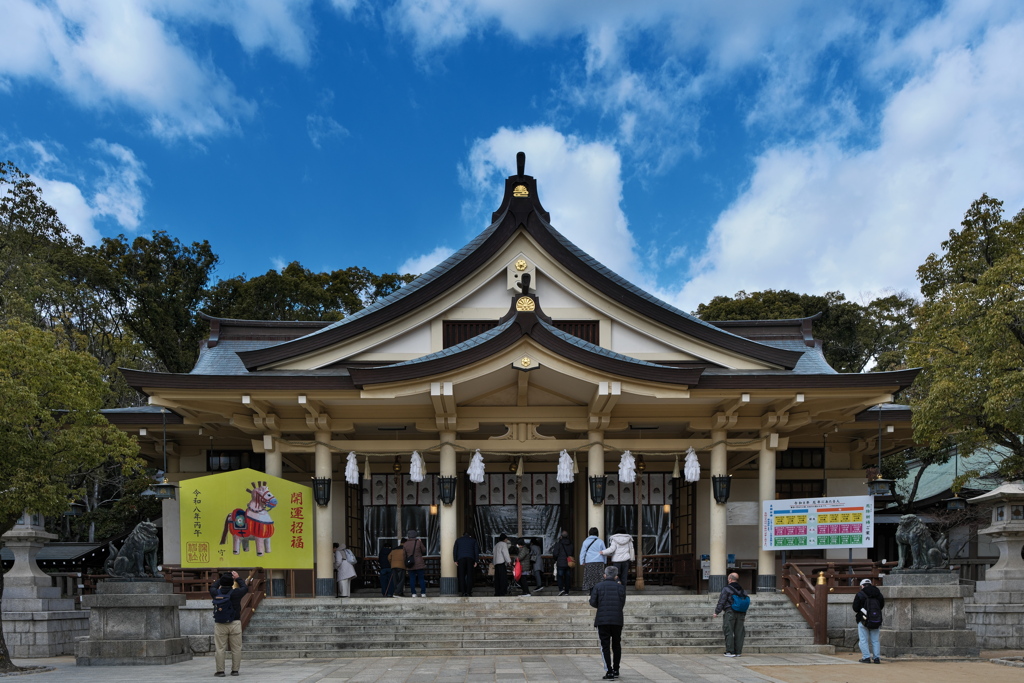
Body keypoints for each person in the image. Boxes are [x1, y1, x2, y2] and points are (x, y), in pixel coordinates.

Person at [210, 570, 249, 677]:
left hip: (220, 624)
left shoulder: (215, 592)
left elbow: (213, 586)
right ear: (232, 583)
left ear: (221, 582)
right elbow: (245, 588)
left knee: (220, 648)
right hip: (235, 623)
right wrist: (237, 578)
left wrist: (222, 578)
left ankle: (220, 671)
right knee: (236, 648)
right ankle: (235, 670)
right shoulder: (236, 593)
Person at [590, 565, 626, 680]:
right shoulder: (621, 588)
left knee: (605, 645)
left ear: (605, 575)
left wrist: (601, 606)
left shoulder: (598, 586)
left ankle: (609, 671)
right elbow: (622, 603)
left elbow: (592, 602)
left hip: (603, 619)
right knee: (616, 644)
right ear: (616, 576)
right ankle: (616, 669)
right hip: (617, 619)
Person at [714, 572, 749, 657]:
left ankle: (730, 651)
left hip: (730, 612)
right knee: (739, 632)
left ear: (730, 579)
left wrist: (716, 611)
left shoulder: (727, 588)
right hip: (741, 613)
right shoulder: (742, 590)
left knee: (728, 630)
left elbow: (722, 600)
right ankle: (738, 652)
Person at [853, 577, 885, 663]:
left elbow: (855, 608)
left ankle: (866, 657)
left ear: (862, 586)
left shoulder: (860, 594)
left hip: (863, 619)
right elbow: (881, 606)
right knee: (875, 640)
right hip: (876, 619)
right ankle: (876, 658)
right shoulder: (879, 594)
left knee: (863, 639)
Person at [580, 527, 607, 593]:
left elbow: (582, 552)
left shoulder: (585, 541)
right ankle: (599, 591)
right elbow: (604, 552)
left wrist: (582, 561)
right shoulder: (600, 541)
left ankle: (591, 591)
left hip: (589, 561)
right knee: (599, 577)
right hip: (599, 561)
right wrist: (605, 561)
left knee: (590, 577)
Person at [453, 531, 480, 597]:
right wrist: (476, 561)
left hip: (461, 559)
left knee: (461, 576)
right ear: (470, 535)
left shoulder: (458, 540)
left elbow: (455, 550)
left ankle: (463, 592)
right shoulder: (473, 540)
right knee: (469, 576)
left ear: (463, 535)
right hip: (470, 559)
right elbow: (476, 551)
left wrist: (455, 560)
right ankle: (468, 592)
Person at [403, 530, 427, 597]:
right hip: (419, 563)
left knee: (412, 579)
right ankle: (423, 593)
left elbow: (404, 555)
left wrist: (406, 563)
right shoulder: (418, 542)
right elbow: (424, 550)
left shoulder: (405, 544)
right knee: (421, 578)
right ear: (415, 535)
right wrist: (421, 542)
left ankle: (413, 593)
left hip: (410, 564)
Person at [551, 530, 574, 595]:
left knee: (560, 576)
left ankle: (561, 589)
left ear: (561, 536)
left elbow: (555, 554)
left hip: (560, 562)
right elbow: (572, 552)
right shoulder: (571, 544)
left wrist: (556, 559)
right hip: (568, 562)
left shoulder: (558, 544)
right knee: (567, 577)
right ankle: (567, 591)